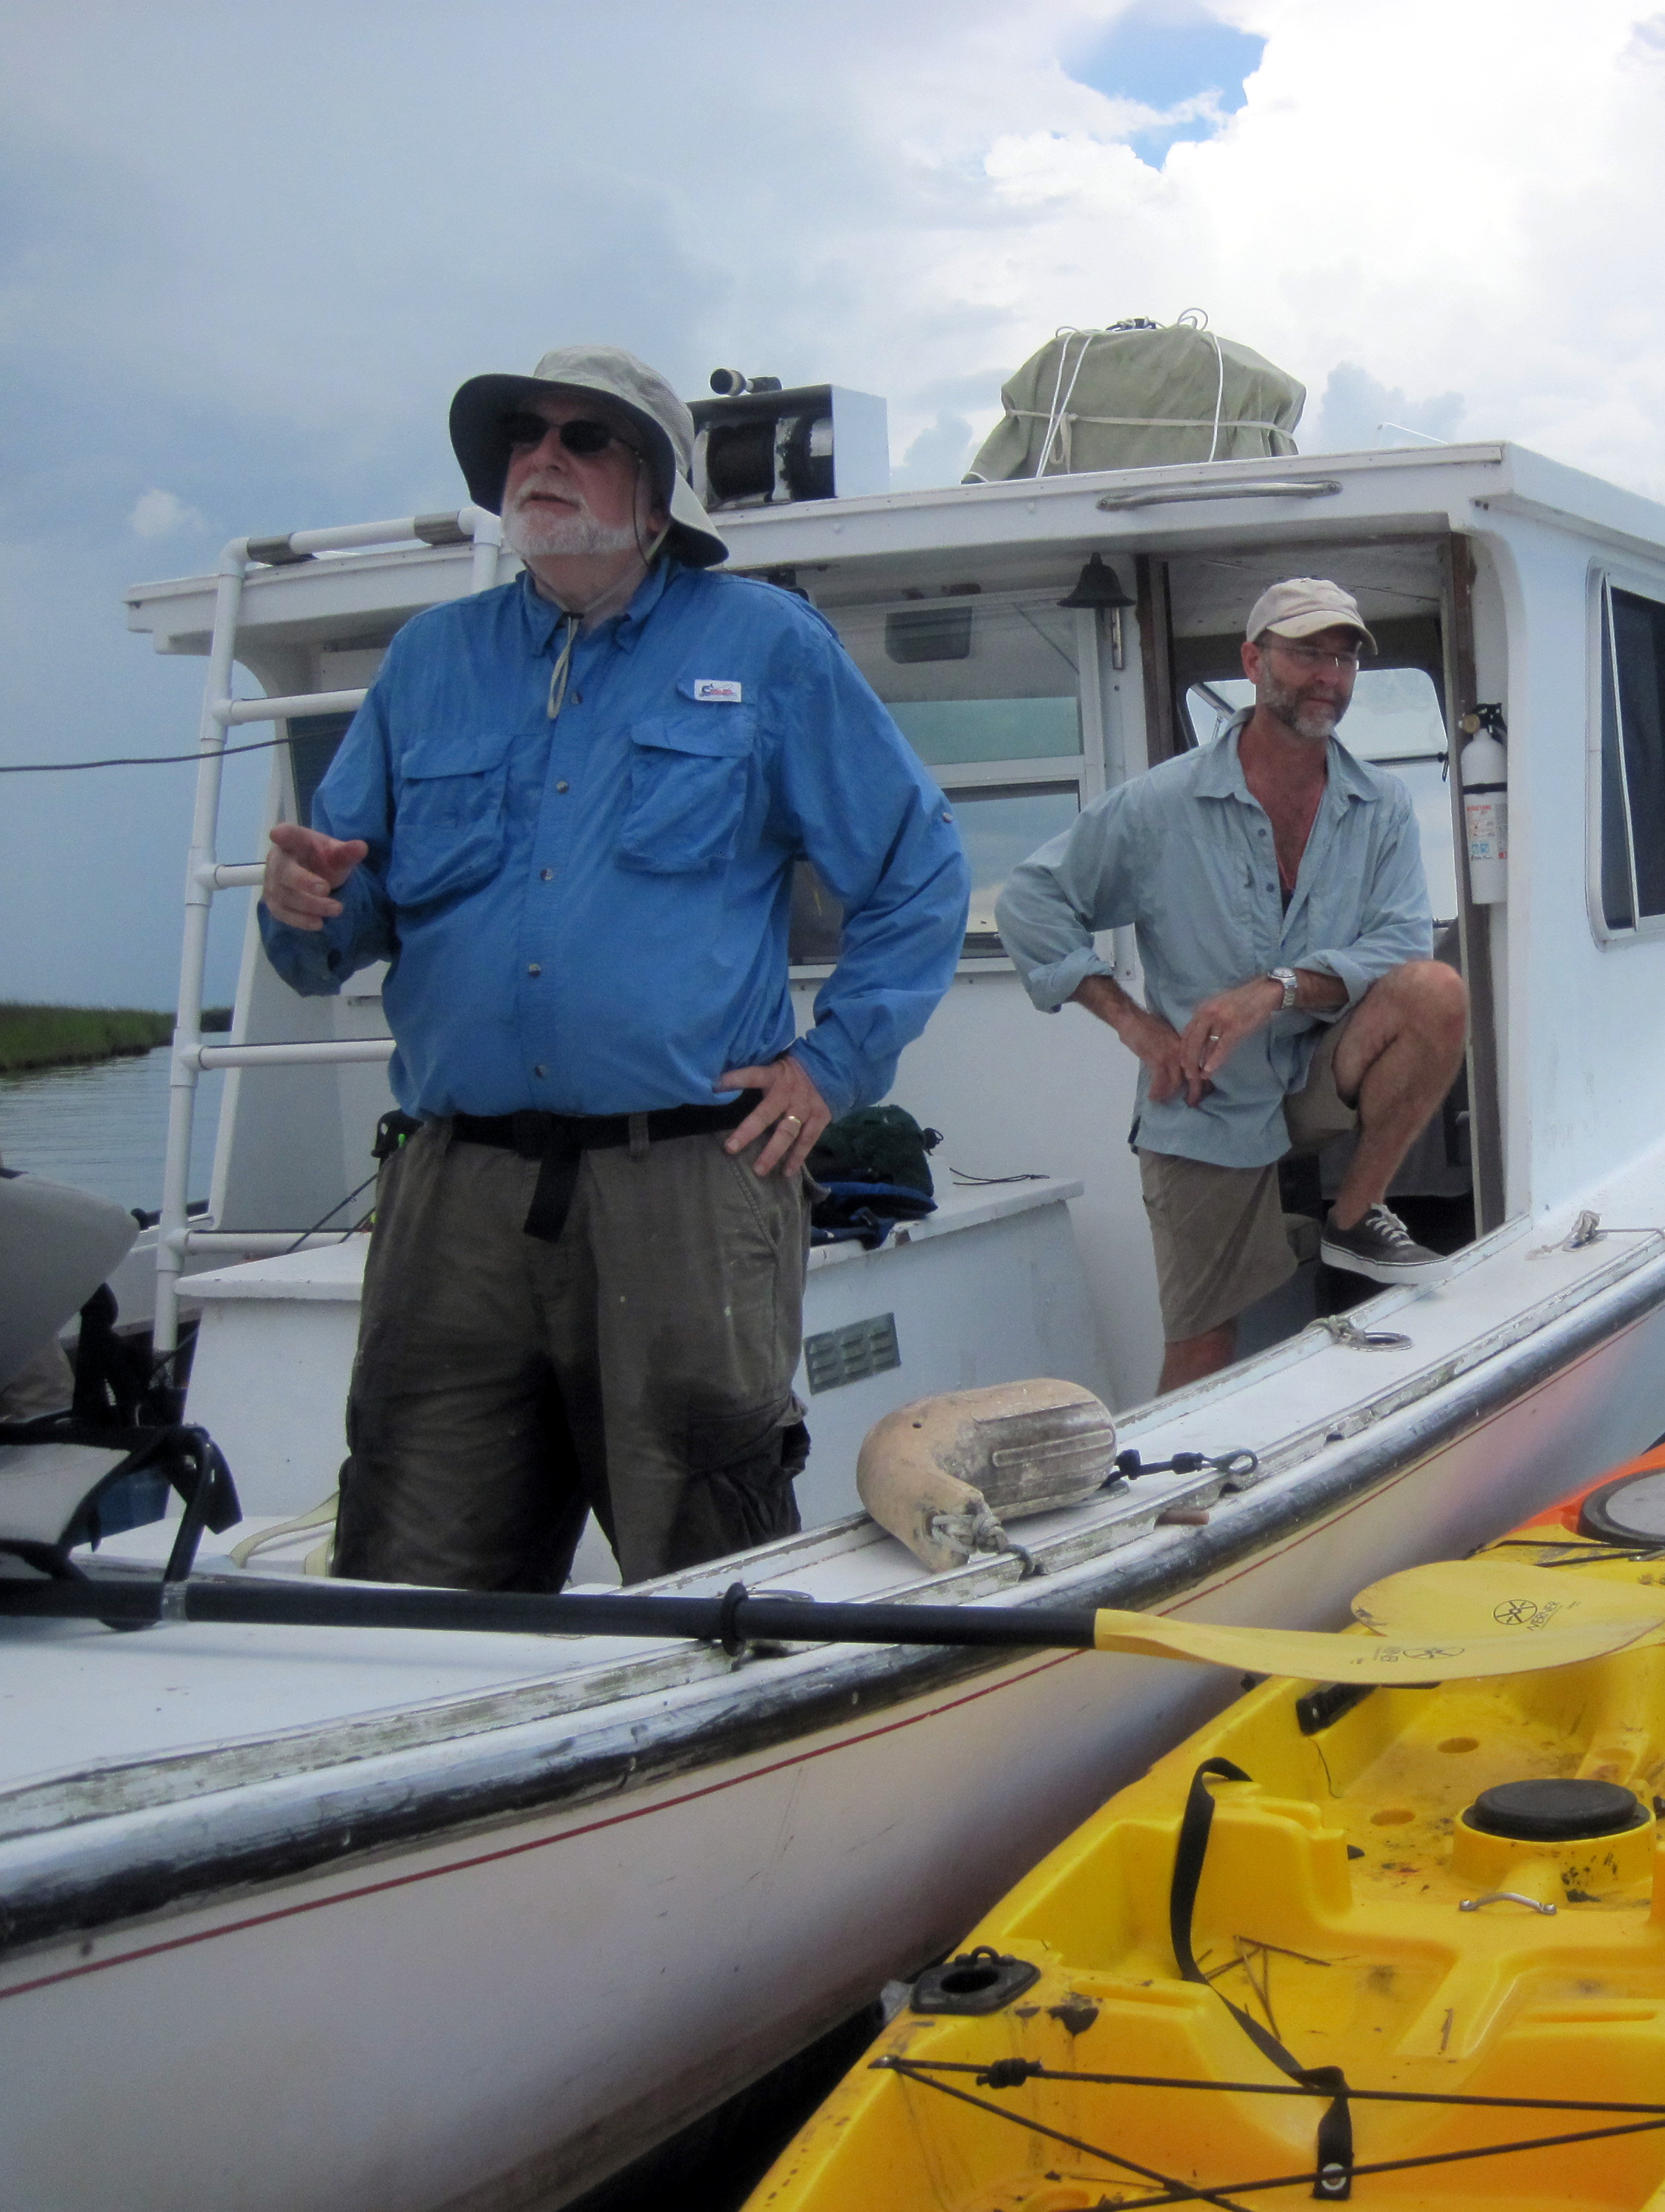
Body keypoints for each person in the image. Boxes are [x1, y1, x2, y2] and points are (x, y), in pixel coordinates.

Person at [258, 344, 968, 1591]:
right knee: (410, 1561)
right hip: (455, 1197)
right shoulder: (430, 663)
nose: (543, 455)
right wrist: (304, 903)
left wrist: (829, 1065)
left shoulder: (769, 646)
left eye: (586, 438)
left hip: (688, 1186)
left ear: (655, 494)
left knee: (711, 1563)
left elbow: (917, 871)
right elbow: (335, 937)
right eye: (523, 434)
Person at [998, 577, 1470, 1392]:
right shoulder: (1161, 803)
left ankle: (1354, 1220)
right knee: (1200, 1349)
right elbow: (1029, 903)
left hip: (1325, 1074)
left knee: (1436, 990)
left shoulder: (1383, 804)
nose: (1329, 676)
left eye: (1344, 659)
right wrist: (1136, 1026)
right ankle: (1173, 1502)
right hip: (1205, 1102)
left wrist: (1275, 991)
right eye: (1307, 654)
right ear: (1253, 662)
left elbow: (1398, 940)